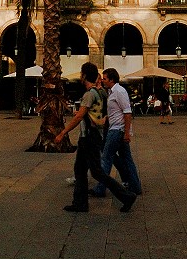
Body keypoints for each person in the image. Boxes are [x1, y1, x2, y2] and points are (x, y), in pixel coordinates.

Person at [54, 62, 137, 213]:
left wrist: (62, 133)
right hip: (94, 136)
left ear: (84, 75)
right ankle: (80, 203)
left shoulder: (89, 94)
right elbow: (94, 112)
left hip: (88, 138)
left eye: (81, 73)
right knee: (80, 170)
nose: (80, 76)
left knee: (96, 172)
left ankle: (126, 196)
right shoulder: (101, 93)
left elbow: (79, 117)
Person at [91, 68, 143, 199]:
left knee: (106, 157)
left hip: (117, 130)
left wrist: (126, 132)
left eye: (104, 78)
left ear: (112, 79)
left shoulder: (119, 91)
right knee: (127, 158)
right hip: (117, 128)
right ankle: (135, 186)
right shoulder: (112, 92)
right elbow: (118, 112)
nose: (103, 80)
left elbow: (127, 112)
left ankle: (100, 188)